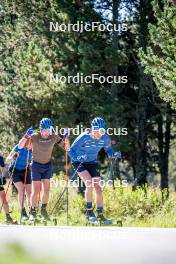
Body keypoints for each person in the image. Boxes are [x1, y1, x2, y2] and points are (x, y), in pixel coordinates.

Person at [68, 117, 121, 224]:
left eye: (102, 131)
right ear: (93, 129)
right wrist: (78, 158)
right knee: (89, 184)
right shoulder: (84, 137)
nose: (100, 134)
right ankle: (89, 212)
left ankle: (100, 215)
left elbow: (108, 149)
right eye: (98, 131)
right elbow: (70, 150)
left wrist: (113, 154)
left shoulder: (105, 138)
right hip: (79, 162)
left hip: (91, 162)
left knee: (98, 187)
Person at [18, 118, 65, 221]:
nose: (47, 132)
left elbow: (66, 147)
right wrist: (26, 136)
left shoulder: (54, 137)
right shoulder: (34, 136)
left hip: (47, 165)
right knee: (36, 190)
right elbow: (21, 146)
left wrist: (66, 138)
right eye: (45, 130)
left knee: (46, 189)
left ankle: (43, 210)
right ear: (40, 129)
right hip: (35, 165)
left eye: (49, 130)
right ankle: (32, 211)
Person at [6, 138, 32, 220]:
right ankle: (23, 213)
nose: (31, 146)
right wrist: (13, 158)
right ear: (26, 142)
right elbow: (7, 160)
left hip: (25, 170)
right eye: (30, 144)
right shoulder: (18, 147)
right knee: (21, 190)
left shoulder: (32, 150)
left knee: (29, 192)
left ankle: (31, 212)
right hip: (15, 170)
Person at [0, 154, 17, 224]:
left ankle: (8, 217)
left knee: (3, 198)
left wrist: (3, 177)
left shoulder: (0, 157)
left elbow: (3, 169)